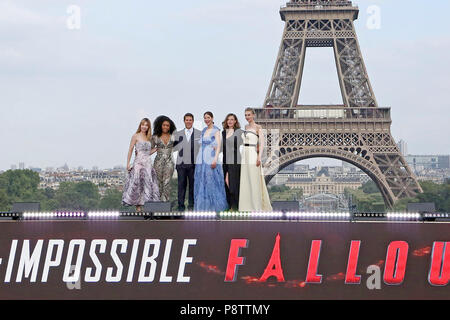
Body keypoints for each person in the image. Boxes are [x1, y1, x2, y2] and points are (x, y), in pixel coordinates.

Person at [122, 118, 160, 212]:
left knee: (147, 184)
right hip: (138, 163)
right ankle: (138, 207)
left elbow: (147, 152)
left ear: (148, 127)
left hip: (147, 163)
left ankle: (147, 206)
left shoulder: (149, 137)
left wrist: (155, 149)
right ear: (140, 125)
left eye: (146, 125)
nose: (144, 127)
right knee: (138, 183)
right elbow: (130, 149)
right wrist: (128, 163)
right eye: (143, 124)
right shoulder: (135, 136)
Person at [239, 108, 272, 212]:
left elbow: (262, 143)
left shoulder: (258, 127)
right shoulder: (245, 127)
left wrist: (259, 157)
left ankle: (256, 207)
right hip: (245, 155)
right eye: (245, 115)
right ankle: (246, 206)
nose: (247, 117)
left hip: (253, 154)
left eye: (249, 115)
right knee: (246, 181)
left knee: (254, 180)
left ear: (253, 115)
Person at [194, 111, 228, 212]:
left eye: (208, 117)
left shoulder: (216, 130)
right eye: (205, 118)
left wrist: (215, 159)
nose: (206, 119)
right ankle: (203, 208)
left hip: (211, 158)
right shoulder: (204, 130)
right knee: (202, 182)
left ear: (212, 118)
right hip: (201, 158)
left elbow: (218, 146)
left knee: (211, 182)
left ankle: (214, 208)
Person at [173, 113, 201, 211]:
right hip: (181, 164)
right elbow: (173, 148)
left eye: (190, 120)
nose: (188, 121)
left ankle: (191, 207)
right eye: (186, 120)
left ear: (193, 121)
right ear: (184, 121)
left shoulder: (199, 133)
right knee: (181, 186)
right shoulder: (178, 134)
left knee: (193, 187)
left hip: (194, 164)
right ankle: (180, 207)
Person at [152, 116, 177, 202]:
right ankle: (157, 202)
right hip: (158, 162)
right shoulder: (155, 137)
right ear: (160, 125)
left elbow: (178, 147)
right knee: (158, 182)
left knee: (167, 182)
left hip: (169, 162)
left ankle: (165, 202)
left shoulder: (173, 136)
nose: (166, 127)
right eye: (164, 125)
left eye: (167, 125)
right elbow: (150, 149)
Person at [221, 113, 243, 211]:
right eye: (228, 119)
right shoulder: (223, 132)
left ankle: (235, 205)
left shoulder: (238, 132)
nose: (230, 121)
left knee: (233, 183)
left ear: (235, 121)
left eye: (232, 119)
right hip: (225, 160)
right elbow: (222, 147)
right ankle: (229, 205)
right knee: (226, 183)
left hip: (234, 159)